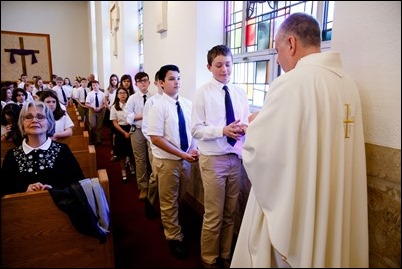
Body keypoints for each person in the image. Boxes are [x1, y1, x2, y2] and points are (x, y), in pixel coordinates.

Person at [231, 13, 369, 268]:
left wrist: (255, 124)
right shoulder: (348, 84)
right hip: (333, 204)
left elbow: (261, 151)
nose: (280, 58)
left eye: (278, 49)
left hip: (301, 209)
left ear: (291, 44)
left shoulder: (292, 82)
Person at [191, 44, 250, 268]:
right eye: (219, 65)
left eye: (228, 64)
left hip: (235, 158)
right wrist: (221, 130)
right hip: (213, 160)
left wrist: (243, 129)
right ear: (209, 67)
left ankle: (225, 254)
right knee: (214, 213)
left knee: (230, 212)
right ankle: (208, 257)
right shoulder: (202, 93)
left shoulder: (239, 92)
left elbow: (243, 121)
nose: (224, 69)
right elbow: (196, 130)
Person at [148, 64, 199, 260]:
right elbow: (156, 138)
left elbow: (192, 129)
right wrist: (181, 154)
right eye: (171, 78)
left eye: (178, 78)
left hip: (185, 158)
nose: (176, 82)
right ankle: (174, 237)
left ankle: (169, 221)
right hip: (167, 161)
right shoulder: (157, 106)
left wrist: (192, 149)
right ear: (161, 83)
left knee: (179, 196)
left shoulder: (187, 103)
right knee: (169, 200)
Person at [1, 100, 85, 196]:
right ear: (22, 124)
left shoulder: (62, 150)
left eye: (40, 117)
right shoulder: (12, 155)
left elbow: (79, 186)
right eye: (28, 117)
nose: (34, 120)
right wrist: (24, 193)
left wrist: (55, 192)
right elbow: (5, 192)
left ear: (49, 123)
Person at [125, 72, 153, 200]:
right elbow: (128, 117)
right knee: (140, 159)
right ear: (136, 84)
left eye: (145, 80)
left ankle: (153, 185)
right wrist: (144, 115)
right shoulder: (132, 98)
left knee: (153, 159)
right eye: (140, 81)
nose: (143, 83)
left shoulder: (154, 98)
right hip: (137, 130)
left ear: (149, 82)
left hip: (152, 131)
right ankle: (143, 187)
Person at [142, 70, 164, 218]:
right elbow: (145, 127)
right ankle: (150, 201)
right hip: (155, 145)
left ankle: (167, 210)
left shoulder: (180, 101)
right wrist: (154, 142)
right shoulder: (151, 102)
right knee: (156, 177)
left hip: (173, 149)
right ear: (157, 83)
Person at [109, 87, 135, 182]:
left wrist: (130, 131)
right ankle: (123, 172)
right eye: (120, 93)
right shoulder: (114, 107)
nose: (122, 95)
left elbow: (134, 118)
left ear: (127, 94)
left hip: (131, 128)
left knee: (131, 151)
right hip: (120, 130)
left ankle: (131, 167)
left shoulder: (131, 105)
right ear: (117, 95)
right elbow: (115, 122)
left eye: (124, 93)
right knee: (121, 153)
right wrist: (124, 132)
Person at [86, 80, 106, 145]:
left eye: (96, 85)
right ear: (91, 86)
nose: (95, 86)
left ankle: (98, 140)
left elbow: (105, 104)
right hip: (92, 110)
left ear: (99, 85)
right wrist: (93, 107)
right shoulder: (90, 94)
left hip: (100, 110)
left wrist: (100, 107)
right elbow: (87, 104)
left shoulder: (103, 94)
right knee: (92, 125)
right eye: (93, 85)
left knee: (99, 126)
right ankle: (91, 139)